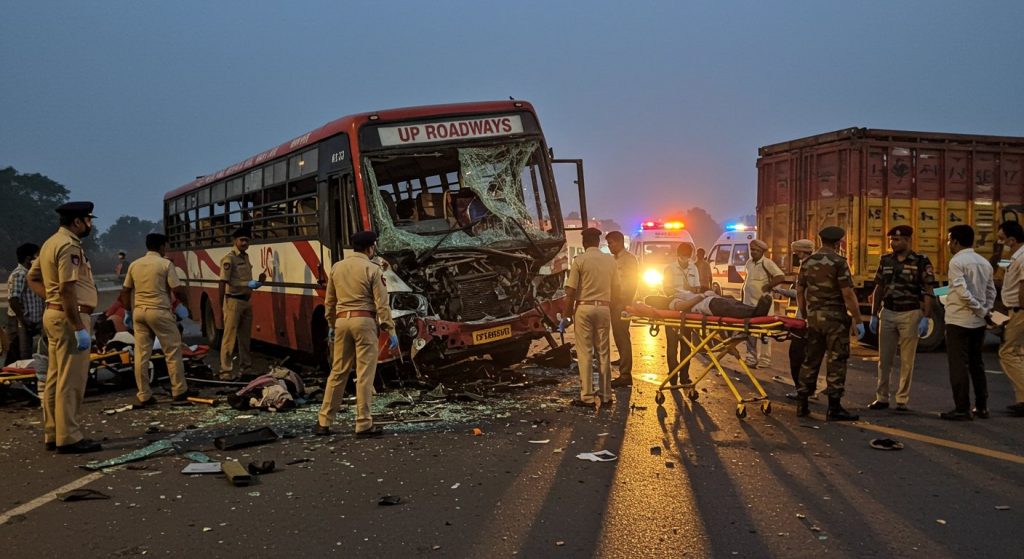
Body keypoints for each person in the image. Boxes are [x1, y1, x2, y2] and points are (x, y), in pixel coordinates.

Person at [26, 202, 102, 454]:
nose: (90, 225)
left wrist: (51, 299)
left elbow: (33, 277)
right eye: (88, 220)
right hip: (71, 317)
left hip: (55, 314)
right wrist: (78, 325)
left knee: (55, 378)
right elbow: (68, 289)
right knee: (71, 381)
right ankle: (68, 437)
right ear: (78, 222)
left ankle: (52, 432)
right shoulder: (69, 246)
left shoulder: (49, 243)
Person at [315, 231, 396, 437]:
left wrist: (332, 324)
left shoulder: (337, 267)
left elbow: (329, 302)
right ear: (370, 248)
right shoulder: (372, 269)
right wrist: (390, 328)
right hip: (364, 321)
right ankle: (363, 423)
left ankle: (323, 422)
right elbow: (382, 304)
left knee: (338, 372)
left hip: (342, 322)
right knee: (364, 374)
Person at [795, 226, 864, 421]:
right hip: (835, 319)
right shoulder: (839, 262)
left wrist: (805, 312)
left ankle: (802, 403)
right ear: (838, 243)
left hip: (814, 318)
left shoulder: (807, 262)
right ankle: (834, 408)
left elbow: (800, 290)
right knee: (836, 360)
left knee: (810, 360)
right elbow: (848, 293)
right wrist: (858, 319)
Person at [120, 233, 194, 407]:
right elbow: (177, 289)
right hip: (159, 311)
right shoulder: (165, 264)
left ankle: (144, 394)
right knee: (172, 352)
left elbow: (125, 291)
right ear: (162, 246)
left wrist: (128, 312)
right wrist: (185, 305)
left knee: (141, 355)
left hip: (139, 313)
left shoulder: (135, 265)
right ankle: (179, 390)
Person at [867, 225, 937, 412]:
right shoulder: (886, 260)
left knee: (907, 360)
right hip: (888, 312)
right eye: (891, 239)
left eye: (897, 240)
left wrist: (926, 318)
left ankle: (901, 399)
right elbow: (879, 287)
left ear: (907, 240)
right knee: (884, 359)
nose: (892, 243)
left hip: (910, 313)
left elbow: (929, 291)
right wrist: (874, 314)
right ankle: (881, 397)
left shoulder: (921, 261)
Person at [941, 225, 996, 420]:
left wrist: (981, 310)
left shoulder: (957, 262)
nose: (948, 244)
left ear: (955, 241)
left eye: (949, 240)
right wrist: (985, 310)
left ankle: (962, 408)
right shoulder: (984, 262)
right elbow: (991, 291)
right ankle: (982, 406)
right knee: (976, 364)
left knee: (958, 365)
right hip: (978, 323)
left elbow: (962, 292)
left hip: (958, 320)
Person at [561, 227, 619, 407]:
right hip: (604, 308)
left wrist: (566, 316)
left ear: (584, 243)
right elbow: (617, 289)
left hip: (584, 309)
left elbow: (570, 291)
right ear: (598, 242)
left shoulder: (580, 260)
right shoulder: (610, 261)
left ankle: (586, 397)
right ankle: (606, 395)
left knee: (585, 353)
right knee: (603, 352)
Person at [218, 226, 266, 380]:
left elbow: (246, 281)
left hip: (246, 301)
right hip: (233, 301)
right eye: (242, 240)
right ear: (235, 241)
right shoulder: (229, 259)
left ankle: (246, 368)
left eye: (247, 240)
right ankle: (225, 371)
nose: (245, 243)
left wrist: (258, 283)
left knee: (244, 338)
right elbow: (223, 282)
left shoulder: (245, 257)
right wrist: (222, 305)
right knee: (229, 338)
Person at [772, 239, 815, 400]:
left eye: (797, 253)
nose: (796, 256)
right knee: (809, 357)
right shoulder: (817, 266)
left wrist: (777, 290)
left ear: (802, 253)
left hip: (804, 320)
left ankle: (801, 390)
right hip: (813, 318)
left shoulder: (806, 267)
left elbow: (800, 294)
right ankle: (808, 389)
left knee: (796, 355)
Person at [662, 243, 701, 383]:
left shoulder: (693, 268)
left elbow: (697, 288)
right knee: (672, 344)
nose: (686, 259)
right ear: (678, 255)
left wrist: (692, 290)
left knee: (686, 344)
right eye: (683, 256)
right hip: (673, 307)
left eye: (688, 256)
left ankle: (684, 376)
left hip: (688, 309)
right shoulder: (670, 269)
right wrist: (680, 292)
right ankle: (673, 374)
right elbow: (666, 290)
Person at [743, 239, 785, 368]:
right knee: (750, 331)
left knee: (764, 333)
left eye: (755, 250)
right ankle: (751, 357)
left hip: (764, 305)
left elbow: (780, 276)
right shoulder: (749, 263)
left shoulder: (767, 263)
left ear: (761, 251)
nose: (753, 252)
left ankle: (765, 359)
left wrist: (768, 286)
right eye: (752, 250)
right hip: (749, 304)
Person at [996, 220, 1024, 417]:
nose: (999, 242)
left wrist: (1020, 310)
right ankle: (1021, 400)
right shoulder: (1012, 256)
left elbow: (1022, 287)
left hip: (1019, 310)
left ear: (1012, 239)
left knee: (1007, 353)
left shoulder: (1021, 257)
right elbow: (1000, 278)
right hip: (1012, 310)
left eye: (1002, 239)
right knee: (1019, 354)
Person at [607, 231, 638, 388]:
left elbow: (632, 283)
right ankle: (622, 361)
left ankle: (625, 374)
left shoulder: (630, 260)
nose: (609, 246)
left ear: (619, 242)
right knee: (618, 335)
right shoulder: (613, 260)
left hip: (623, 302)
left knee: (622, 335)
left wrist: (624, 302)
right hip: (614, 302)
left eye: (611, 243)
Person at [5, 243, 44, 365]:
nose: (40, 258)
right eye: (37, 255)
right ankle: (11, 380)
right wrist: (22, 319)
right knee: (21, 355)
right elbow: (13, 299)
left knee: (31, 352)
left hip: (34, 320)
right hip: (21, 321)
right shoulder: (20, 274)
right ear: (28, 258)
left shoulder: (32, 274)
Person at [667, 290, 772, 318]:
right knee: (730, 308)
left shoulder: (682, 293)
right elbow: (681, 307)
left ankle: (756, 310)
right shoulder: (672, 301)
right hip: (709, 306)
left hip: (712, 300)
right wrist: (702, 296)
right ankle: (755, 313)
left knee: (733, 302)